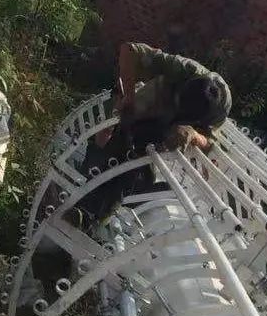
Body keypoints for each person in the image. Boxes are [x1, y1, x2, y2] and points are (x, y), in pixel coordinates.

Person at [79, 42, 232, 224]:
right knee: (113, 150)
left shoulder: (218, 111)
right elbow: (129, 50)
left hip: (166, 136)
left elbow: (209, 143)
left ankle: (93, 216)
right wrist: (128, 98)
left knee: (133, 170)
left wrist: (193, 134)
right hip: (146, 110)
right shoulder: (182, 69)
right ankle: (86, 205)